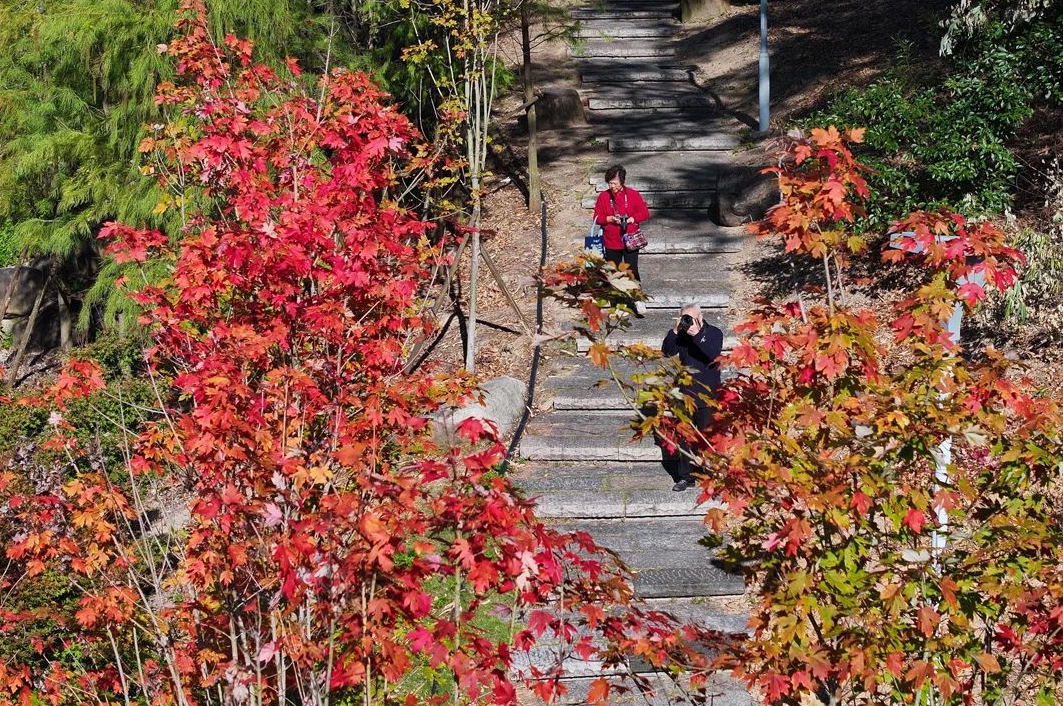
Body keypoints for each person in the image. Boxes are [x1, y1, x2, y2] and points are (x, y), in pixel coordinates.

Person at [660, 304, 723, 491]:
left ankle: (712, 474)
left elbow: (712, 354)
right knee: (684, 436)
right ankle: (686, 476)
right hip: (686, 394)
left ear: (700, 317)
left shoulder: (714, 333)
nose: (687, 322)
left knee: (708, 437)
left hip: (707, 395)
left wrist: (696, 334)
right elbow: (667, 351)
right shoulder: (682, 335)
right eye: (684, 317)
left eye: (690, 318)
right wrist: (674, 330)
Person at [593, 164, 650, 315]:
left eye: (615, 183)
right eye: (610, 183)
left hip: (630, 240)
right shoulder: (603, 197)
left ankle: (638, 298)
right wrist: (609, 218)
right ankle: (617, 303)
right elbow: (597, 217)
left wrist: (632, 219)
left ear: (622, 182)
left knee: (632, 270)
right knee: (614, 273)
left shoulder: (632, 194)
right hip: (611, 241)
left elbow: (644, 213)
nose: (612, 186)